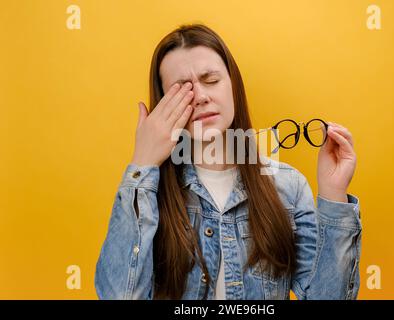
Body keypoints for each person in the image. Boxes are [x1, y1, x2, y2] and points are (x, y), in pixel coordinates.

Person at [94, 23, 362, 300]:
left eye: (210, 80)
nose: (200, 97)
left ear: (233, 84)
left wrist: (333, 197)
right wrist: (142, 162)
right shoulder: (150, 194)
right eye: (181, 91)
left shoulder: (288, 187)